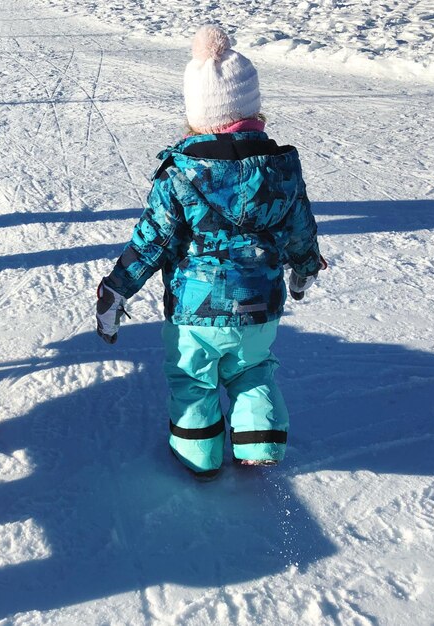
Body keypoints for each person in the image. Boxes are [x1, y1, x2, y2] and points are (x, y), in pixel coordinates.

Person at [96, 25, 326, 480]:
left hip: (194, 315)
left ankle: (199, 456)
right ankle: (260, 440)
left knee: (192, 381)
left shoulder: (181, 172)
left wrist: (116, 289)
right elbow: (301, 230)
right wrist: (303, 271)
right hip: (261, 308)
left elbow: (152, 239)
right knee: (254, 370)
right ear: (253, 109)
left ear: (198, 115)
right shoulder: (281, 169)